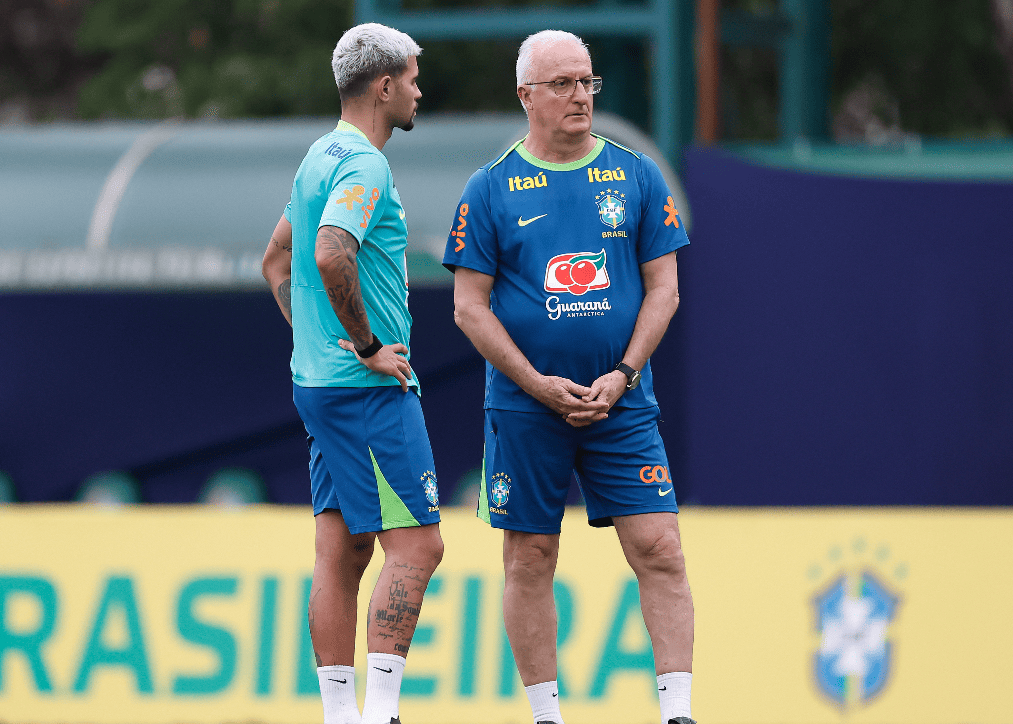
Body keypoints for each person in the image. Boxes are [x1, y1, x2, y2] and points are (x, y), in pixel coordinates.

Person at [443, 29, 697, 724]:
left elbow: (664, 290)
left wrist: (623, 372)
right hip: (527, 408)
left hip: (622, 401)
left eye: (587, 82)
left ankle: (678, 710)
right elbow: (469, 308)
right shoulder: (490, 187)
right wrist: (534, 381)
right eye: (562, 84)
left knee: (661, 547)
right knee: (530, 557)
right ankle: (546, 715)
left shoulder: (635, 174)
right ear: (526, 96)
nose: (580, 96)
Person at [261, 23, 442, 724]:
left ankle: (341, 716)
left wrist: (318, 348)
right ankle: (380, 713)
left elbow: (276, 261)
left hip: (321, 386)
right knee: (419, 544)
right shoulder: (363, 163)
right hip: (365, 389)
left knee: (342, 548)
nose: (420, 90)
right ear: (385, 85)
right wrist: (363, 346)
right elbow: (332, 252)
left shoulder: (318, 157)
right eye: (414, 77)